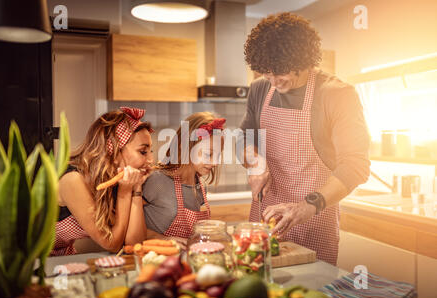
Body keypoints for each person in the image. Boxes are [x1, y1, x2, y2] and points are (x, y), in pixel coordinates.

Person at [239, 12, 371, 265]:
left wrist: (305, 207)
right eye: (267, 74)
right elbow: (244, 136)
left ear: (304, 60)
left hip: (314, 219)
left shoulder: (336, 94)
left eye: (281, 74)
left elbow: (356, 165)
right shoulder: (259, 88)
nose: (274, 83)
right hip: (264, 216)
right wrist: (255, 160)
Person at [53, 107, 154, 256]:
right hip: (28, 260)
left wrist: (136, 188)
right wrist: (124, 192)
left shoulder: (113, 181)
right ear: (112, 150)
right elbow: (111, 244)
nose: (151, 160)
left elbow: (133, 244)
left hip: (61, 256)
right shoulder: (72, 180)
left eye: (150, 152)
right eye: (143, 152)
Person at [142, 112, 225, 249]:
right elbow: (127, 227)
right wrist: (161, 239)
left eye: (218, 155)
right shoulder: (156, 181)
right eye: (208, 154)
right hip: (156, 259)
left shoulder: (200, 186)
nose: (215, 162)